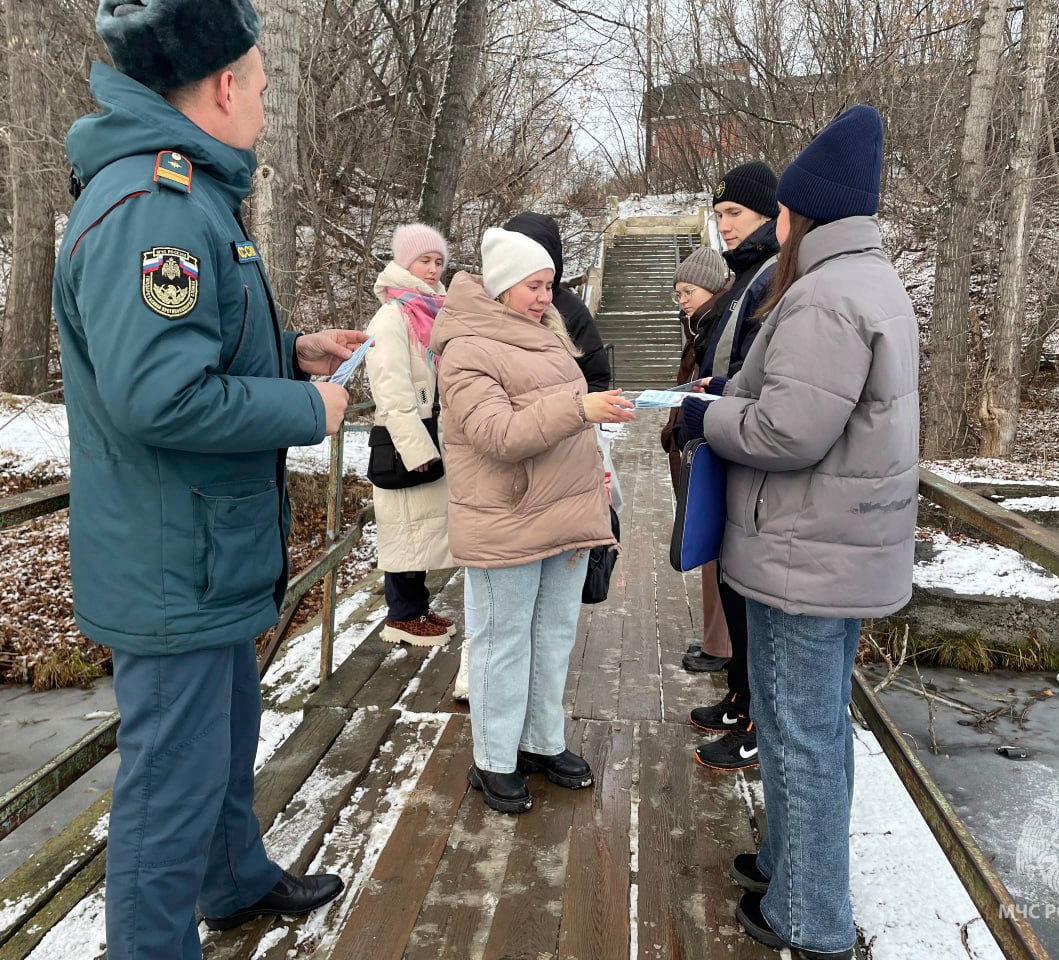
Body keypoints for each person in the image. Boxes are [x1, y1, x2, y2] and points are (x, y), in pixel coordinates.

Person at [53, 2, 359, 955]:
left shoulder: (185, 194)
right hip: (171, 559)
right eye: (261, 87)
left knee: (222, 741)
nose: (264, 105)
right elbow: (161, 397)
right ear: (225, 87)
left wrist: (291, 351)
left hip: (201, 551)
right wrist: (306, 410)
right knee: (167, 787)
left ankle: (233, 882)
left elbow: (193, 349)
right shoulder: (157, 208)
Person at [681, 105, 918, 960]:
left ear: (801, 211)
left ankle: (812, 915)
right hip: (836, 546)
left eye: (780, 208)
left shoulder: (823, 296)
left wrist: (706, 417)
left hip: (802, 551)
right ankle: (792, 867)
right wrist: (732, 399)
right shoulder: (869, 282)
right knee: (808, 725)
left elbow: (789, 433)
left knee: (800, 730)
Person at [430, 227, 636, 814]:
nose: (545, 297)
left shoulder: (547, 335)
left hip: (564, 513)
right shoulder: (467, 349)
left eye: (549, 285)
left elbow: (566, 424)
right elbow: (498, 434)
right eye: (533, 287)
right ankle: (494, 759)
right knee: (502, 642)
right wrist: (580, 407)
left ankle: (541, 741)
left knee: (552, 637)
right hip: (506, 519)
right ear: (501, 287)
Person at [682, 161, 782, 771]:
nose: (723, 225)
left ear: (770, 213)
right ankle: (741, 697)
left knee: (746, 592)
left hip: (747, 449)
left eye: (734, 213)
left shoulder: (774, 275)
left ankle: (754, 717)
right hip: (728, 443)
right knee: (731, 582)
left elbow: (765, 376)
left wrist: (716, 399)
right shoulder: (750, 273)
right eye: (718, 214)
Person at [364, 224, 456, 645]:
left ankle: (416, 608)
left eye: (438, 261)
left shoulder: (432, 310)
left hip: (428, 430)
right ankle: (402, 615)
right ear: (404, 263)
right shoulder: (393, 316)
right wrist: (417, 447)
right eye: (424, 261)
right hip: (405, 437)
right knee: (405, 527)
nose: (433, 269)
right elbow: (390, 388)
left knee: (420, 527)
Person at [659, 247, 733, 673]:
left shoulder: (717, 326)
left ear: (711, 288)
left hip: (710, 442)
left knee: (715, 549)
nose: (682, 299)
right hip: (698, 441)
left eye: (688, 291)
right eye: (677, 293)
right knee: (709, 549)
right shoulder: (701, 326)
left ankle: (720, 647)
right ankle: (716, 642)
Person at [504, 212, 612, 390]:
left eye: (546, 287)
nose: (544, 299)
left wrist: (580, 404)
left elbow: (596, 377)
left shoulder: (571, 311)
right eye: (533, 287)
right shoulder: (482, 307)